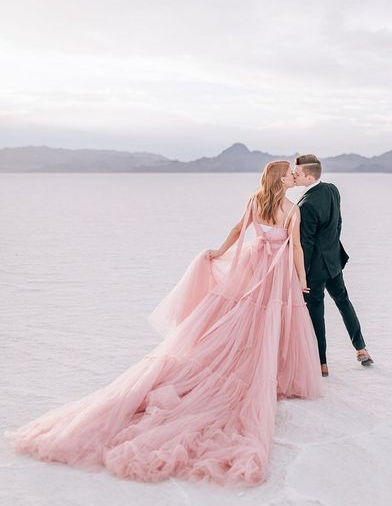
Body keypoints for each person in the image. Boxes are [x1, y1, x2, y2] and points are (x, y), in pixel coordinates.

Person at [6, 161, 322, 487]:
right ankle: (264, 368)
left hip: (252, 266)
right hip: (273, 273)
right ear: (280, 179)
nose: (291, 178)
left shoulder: (255, 201)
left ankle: (251, 360)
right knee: (265, 320)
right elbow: (295, 247)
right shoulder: (291, 210)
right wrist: (301, 280)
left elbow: (236, 231)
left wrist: (219, 251)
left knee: (242, 318)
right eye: (288, 174)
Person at [293, 154, 373, 377]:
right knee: (343, 301)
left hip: (315, 268)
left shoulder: (306, 205)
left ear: (309, 177)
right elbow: (338, 222)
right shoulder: (332, 189)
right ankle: (361, 348)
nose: (293, 176)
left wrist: (303, 273)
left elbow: (306, 243)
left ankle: (321, 364)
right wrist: (331, 248)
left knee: (316, 312)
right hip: (334, 260)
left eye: (297, 173)